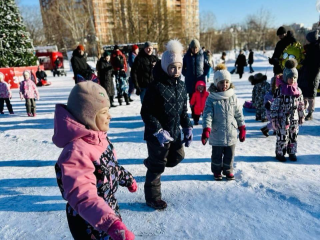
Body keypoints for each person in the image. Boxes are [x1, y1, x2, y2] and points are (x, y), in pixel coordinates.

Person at [52, 81, 136, 240]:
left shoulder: (100, 139)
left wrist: (126, 178)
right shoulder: (75, 152)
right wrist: (112, 224)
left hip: (108, 212)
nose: (109, 116)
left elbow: (111, 166)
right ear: (88, 117)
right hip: (88, 222)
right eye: (104, 112)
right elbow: (83, 195)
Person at [141, 39, 193, 210]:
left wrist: (187, 127)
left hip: (174, 133)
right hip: (157, 136)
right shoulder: (155, 87)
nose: (176, 71)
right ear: (164, 66)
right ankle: (153, 198)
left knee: (178, 156)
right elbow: (146, 112)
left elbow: (183, 111)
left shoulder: (182, 85)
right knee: (157, 168)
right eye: (172, 67)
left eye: (179, 67)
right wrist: (158, 130)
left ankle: (152, 162)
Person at [201, 64, 246, 181]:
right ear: (216, 83)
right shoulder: (211, 98)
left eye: (226, 82)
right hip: (217, 133)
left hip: (231, 131)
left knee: (229, 155)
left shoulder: (232, 96)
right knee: (216, 155)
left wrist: (242, 127)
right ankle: (217, 171)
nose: (224, 85)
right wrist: (206, 129)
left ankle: (228, 171)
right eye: (221, 82)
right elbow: (207, 115)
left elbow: (238, 113)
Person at [270, 59, 305, 162]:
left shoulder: (298, 90)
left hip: (294, 118)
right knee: (282, 136)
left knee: (293, 136)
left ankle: (292, 152)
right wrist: (274, 118)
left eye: (294, 77)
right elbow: (275, 105)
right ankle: (280, 153)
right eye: (290, 77)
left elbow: (301, 104)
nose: (292, 80)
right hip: (282, 118)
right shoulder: (280, 90)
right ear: (285, 77)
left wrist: (301, 115)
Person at [298, 30, 320, 121]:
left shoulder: (316, 48)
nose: (306, 40)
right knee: (304, 93)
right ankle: (303, 111)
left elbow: (315, 61)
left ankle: (310, 112)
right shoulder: (310, 47)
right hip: (306, 73)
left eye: (307, 39)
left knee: (311, 94)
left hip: (313, 74)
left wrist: (306, 62)